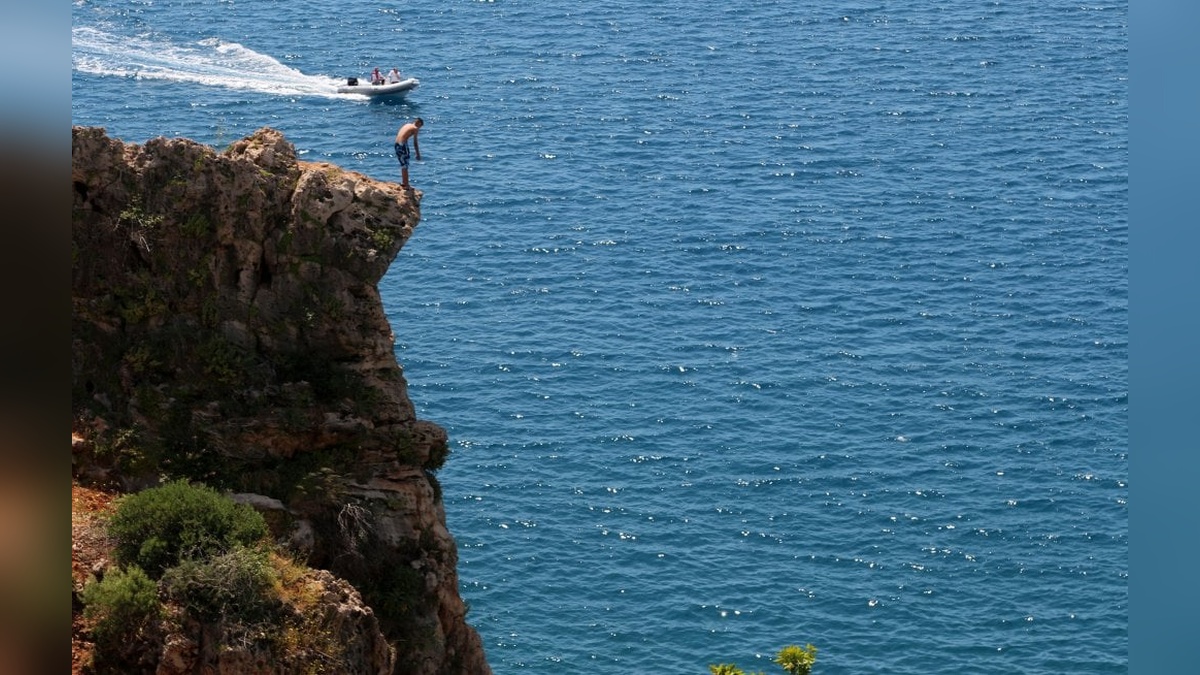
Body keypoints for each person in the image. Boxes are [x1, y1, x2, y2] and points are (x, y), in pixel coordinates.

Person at [394, 118, 423, 188]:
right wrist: (418, 154)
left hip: (396, 144)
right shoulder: (415, 128)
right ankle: (406, 185)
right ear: (419, 123)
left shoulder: (407, 125)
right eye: (420, 126)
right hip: (402, 145)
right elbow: (415, 143)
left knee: (403, 163)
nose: (419, 128)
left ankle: (404, 182)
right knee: (405, 164)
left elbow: (403, 135)